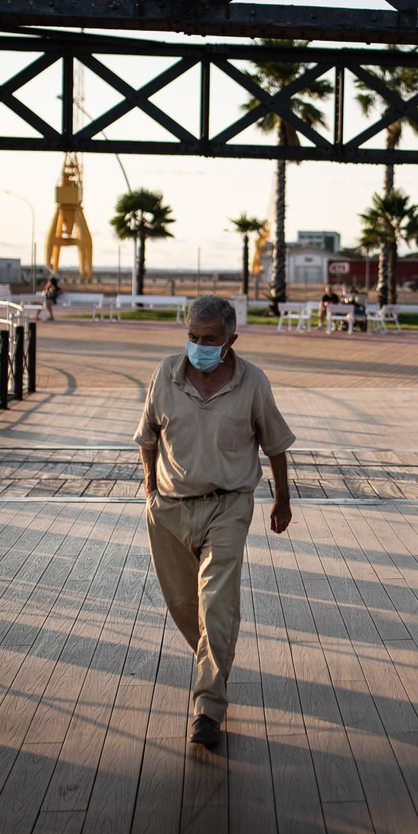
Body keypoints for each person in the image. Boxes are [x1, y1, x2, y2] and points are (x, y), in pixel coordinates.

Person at [136, 295, 295, 748]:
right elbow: (147, 435)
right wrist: (150, 487)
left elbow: (276, 446)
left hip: (228, 506)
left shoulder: (252, 383)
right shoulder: (164, 375)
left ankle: (207, 706)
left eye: (209, 339)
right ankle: (216, 662)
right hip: (168, 509)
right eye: (192, 337)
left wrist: (282, 501)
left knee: (217, 605)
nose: (199, 346)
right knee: (187, 607)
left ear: (231, 341)